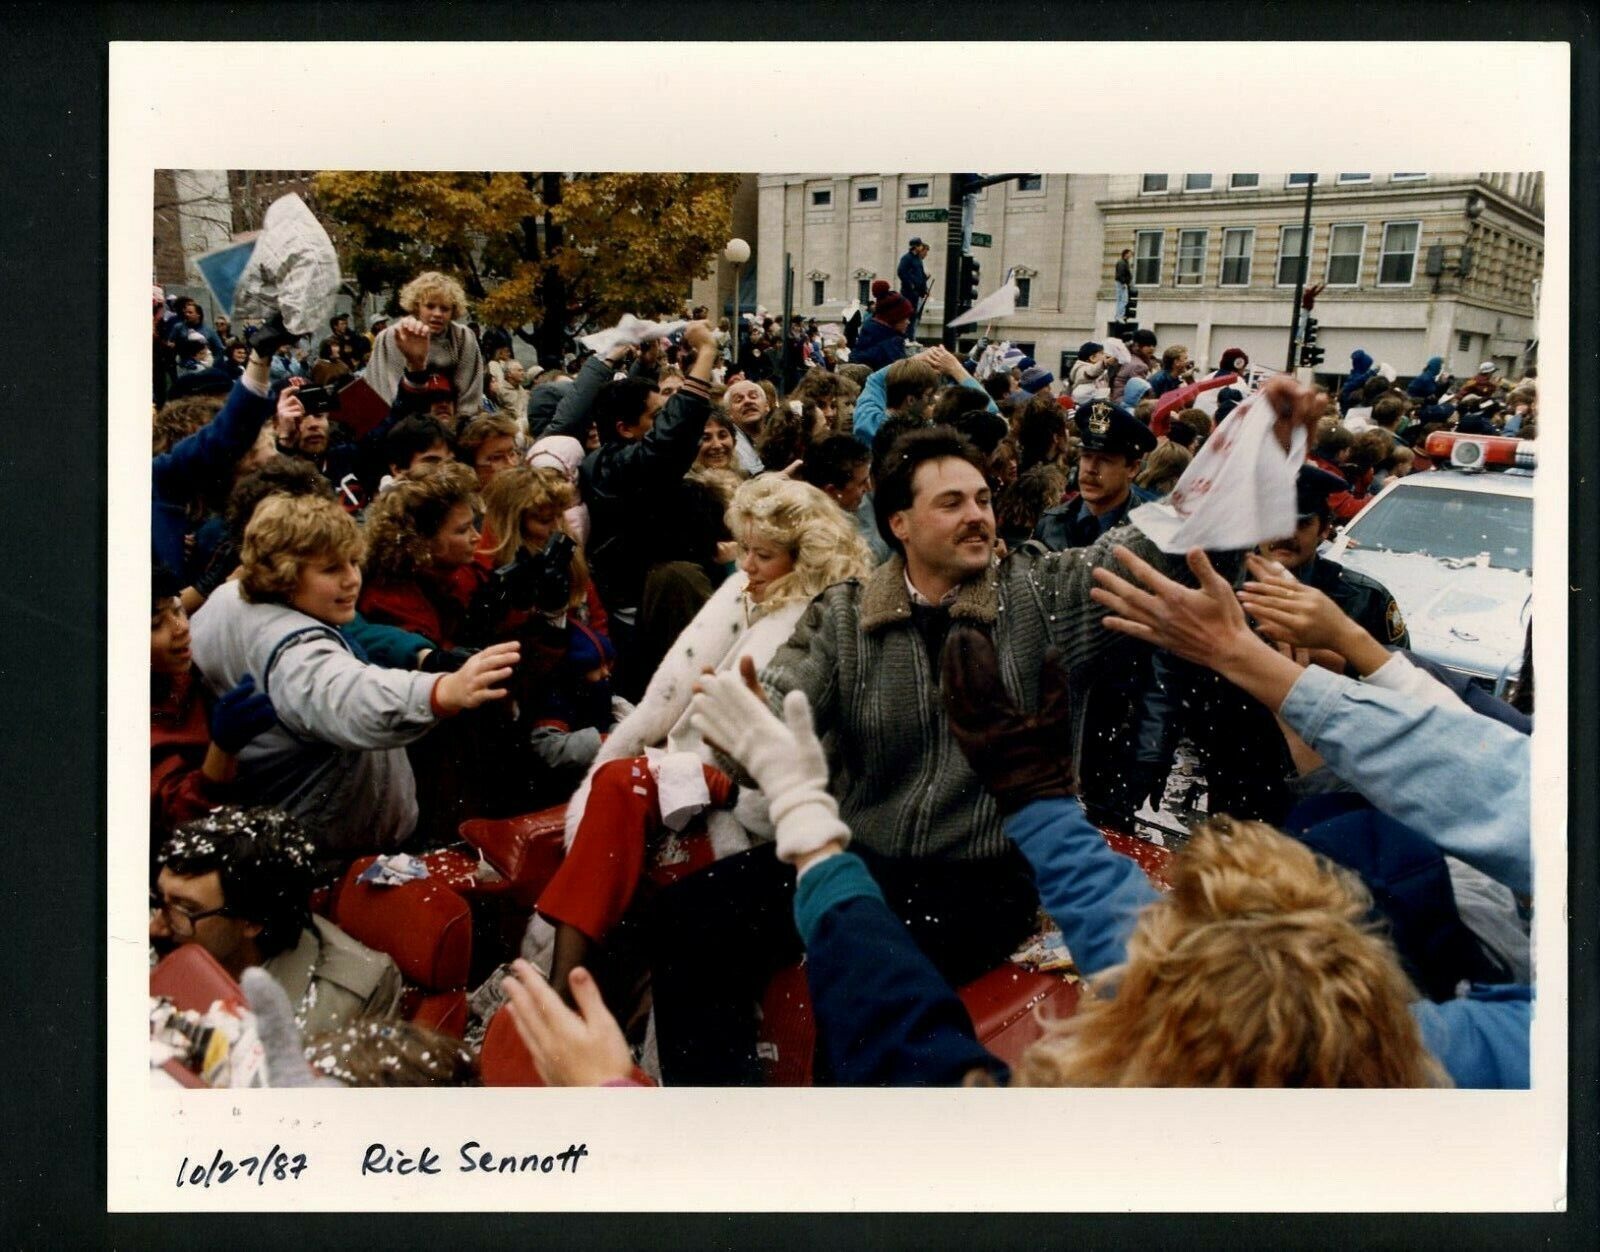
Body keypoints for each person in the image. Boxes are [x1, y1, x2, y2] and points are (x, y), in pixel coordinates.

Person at [531, 476, 871, 1002]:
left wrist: (719, 778)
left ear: (806, 559)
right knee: (620, 784)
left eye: (764, 555)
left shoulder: (823, 622)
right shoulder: (742, 594)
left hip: (746, 796)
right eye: (746, 550)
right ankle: (568, 983)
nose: (745, 566)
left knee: (621, 783)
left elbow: (805, 751)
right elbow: (669, 704)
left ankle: (565, 983)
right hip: (686, 769)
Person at [187, 493, 521, 854]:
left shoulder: (229, 597)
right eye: (331, 569)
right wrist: (440, 691)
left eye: (353, 562)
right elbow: (347, 694)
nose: (351, 580)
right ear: (283, 574)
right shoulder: (296, 652)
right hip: (327, 853)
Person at [542, 319, 719, 698]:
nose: (666, 422)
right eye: (656, 417)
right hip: (644, 627)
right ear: (624, 428)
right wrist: (706, 355)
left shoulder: (625, 462)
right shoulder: (609, 468)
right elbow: (667, 444)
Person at [151, 806, 404, 1037]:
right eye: (160, 898)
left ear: (252, 921)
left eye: (184, 909)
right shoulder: (149, 935)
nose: (158, 924)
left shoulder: (356, 993)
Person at [1259, 465, 1409, 650]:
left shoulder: (1366, 598)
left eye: (1301, 524)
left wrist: (1343, 665)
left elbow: (1401, 667)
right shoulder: (1227, 590)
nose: (1285, 534)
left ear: (1324, 530)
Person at [1032, 401, 1158, 550]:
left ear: (1132, 468)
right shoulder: (1050, 523)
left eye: (1105, 460)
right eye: (1086, 456)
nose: (1091, 469)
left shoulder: (1147, 535)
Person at [363, 271, 485, 424]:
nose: (437, 314)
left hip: (453, 423)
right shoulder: (392, 337)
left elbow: (470, 395)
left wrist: (459, 426)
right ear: (416, 306)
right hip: (401, 424)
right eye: (430, 306)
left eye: (444, 309)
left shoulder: (464, 337)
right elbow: (386, 391)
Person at [851, 291, 916, 371]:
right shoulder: (889, 347)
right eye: (906, 317)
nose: (908, 322)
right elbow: (902, 376)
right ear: (894, 318)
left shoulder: (874, 336)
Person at [721, 380, 773, 475]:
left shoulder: (781, 435)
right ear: (729, 414)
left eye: (753, 396)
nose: (747, 401)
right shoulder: (728, 448)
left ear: (767, 405)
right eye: (738, 400)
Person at [1110, 329, 1157, 405]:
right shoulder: (1139, 365)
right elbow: (1140, 391)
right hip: (1126, 404)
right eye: (1147, 345)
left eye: (1153, 345)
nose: (1152, 348)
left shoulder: (1127, 356)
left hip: (1117, 400)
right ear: (1137, 345)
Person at [896, 237, 931, 338]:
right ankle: (907, 338)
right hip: (909, 293)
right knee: (908, 315)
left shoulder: (917, 260)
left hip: (917, 293)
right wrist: (911, 285)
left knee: (914, 316)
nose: (921, 247)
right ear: (916, 247)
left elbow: (920, 276)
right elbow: (901, 272)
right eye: (920, 245)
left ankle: (911, 337)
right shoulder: (906, 258)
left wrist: (925, 289)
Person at [1114, 248, 1134, 322]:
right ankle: (1120, 316)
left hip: (1121, 283)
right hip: (1121, 283)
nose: (1131, 255)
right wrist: (1124, 283)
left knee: (1120, 300)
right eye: (1129, 253)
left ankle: (1118, 315)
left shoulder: (1125, 262)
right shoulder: (1122, 263)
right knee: (1123, 300)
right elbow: (1120, 274)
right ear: (1125, 254)